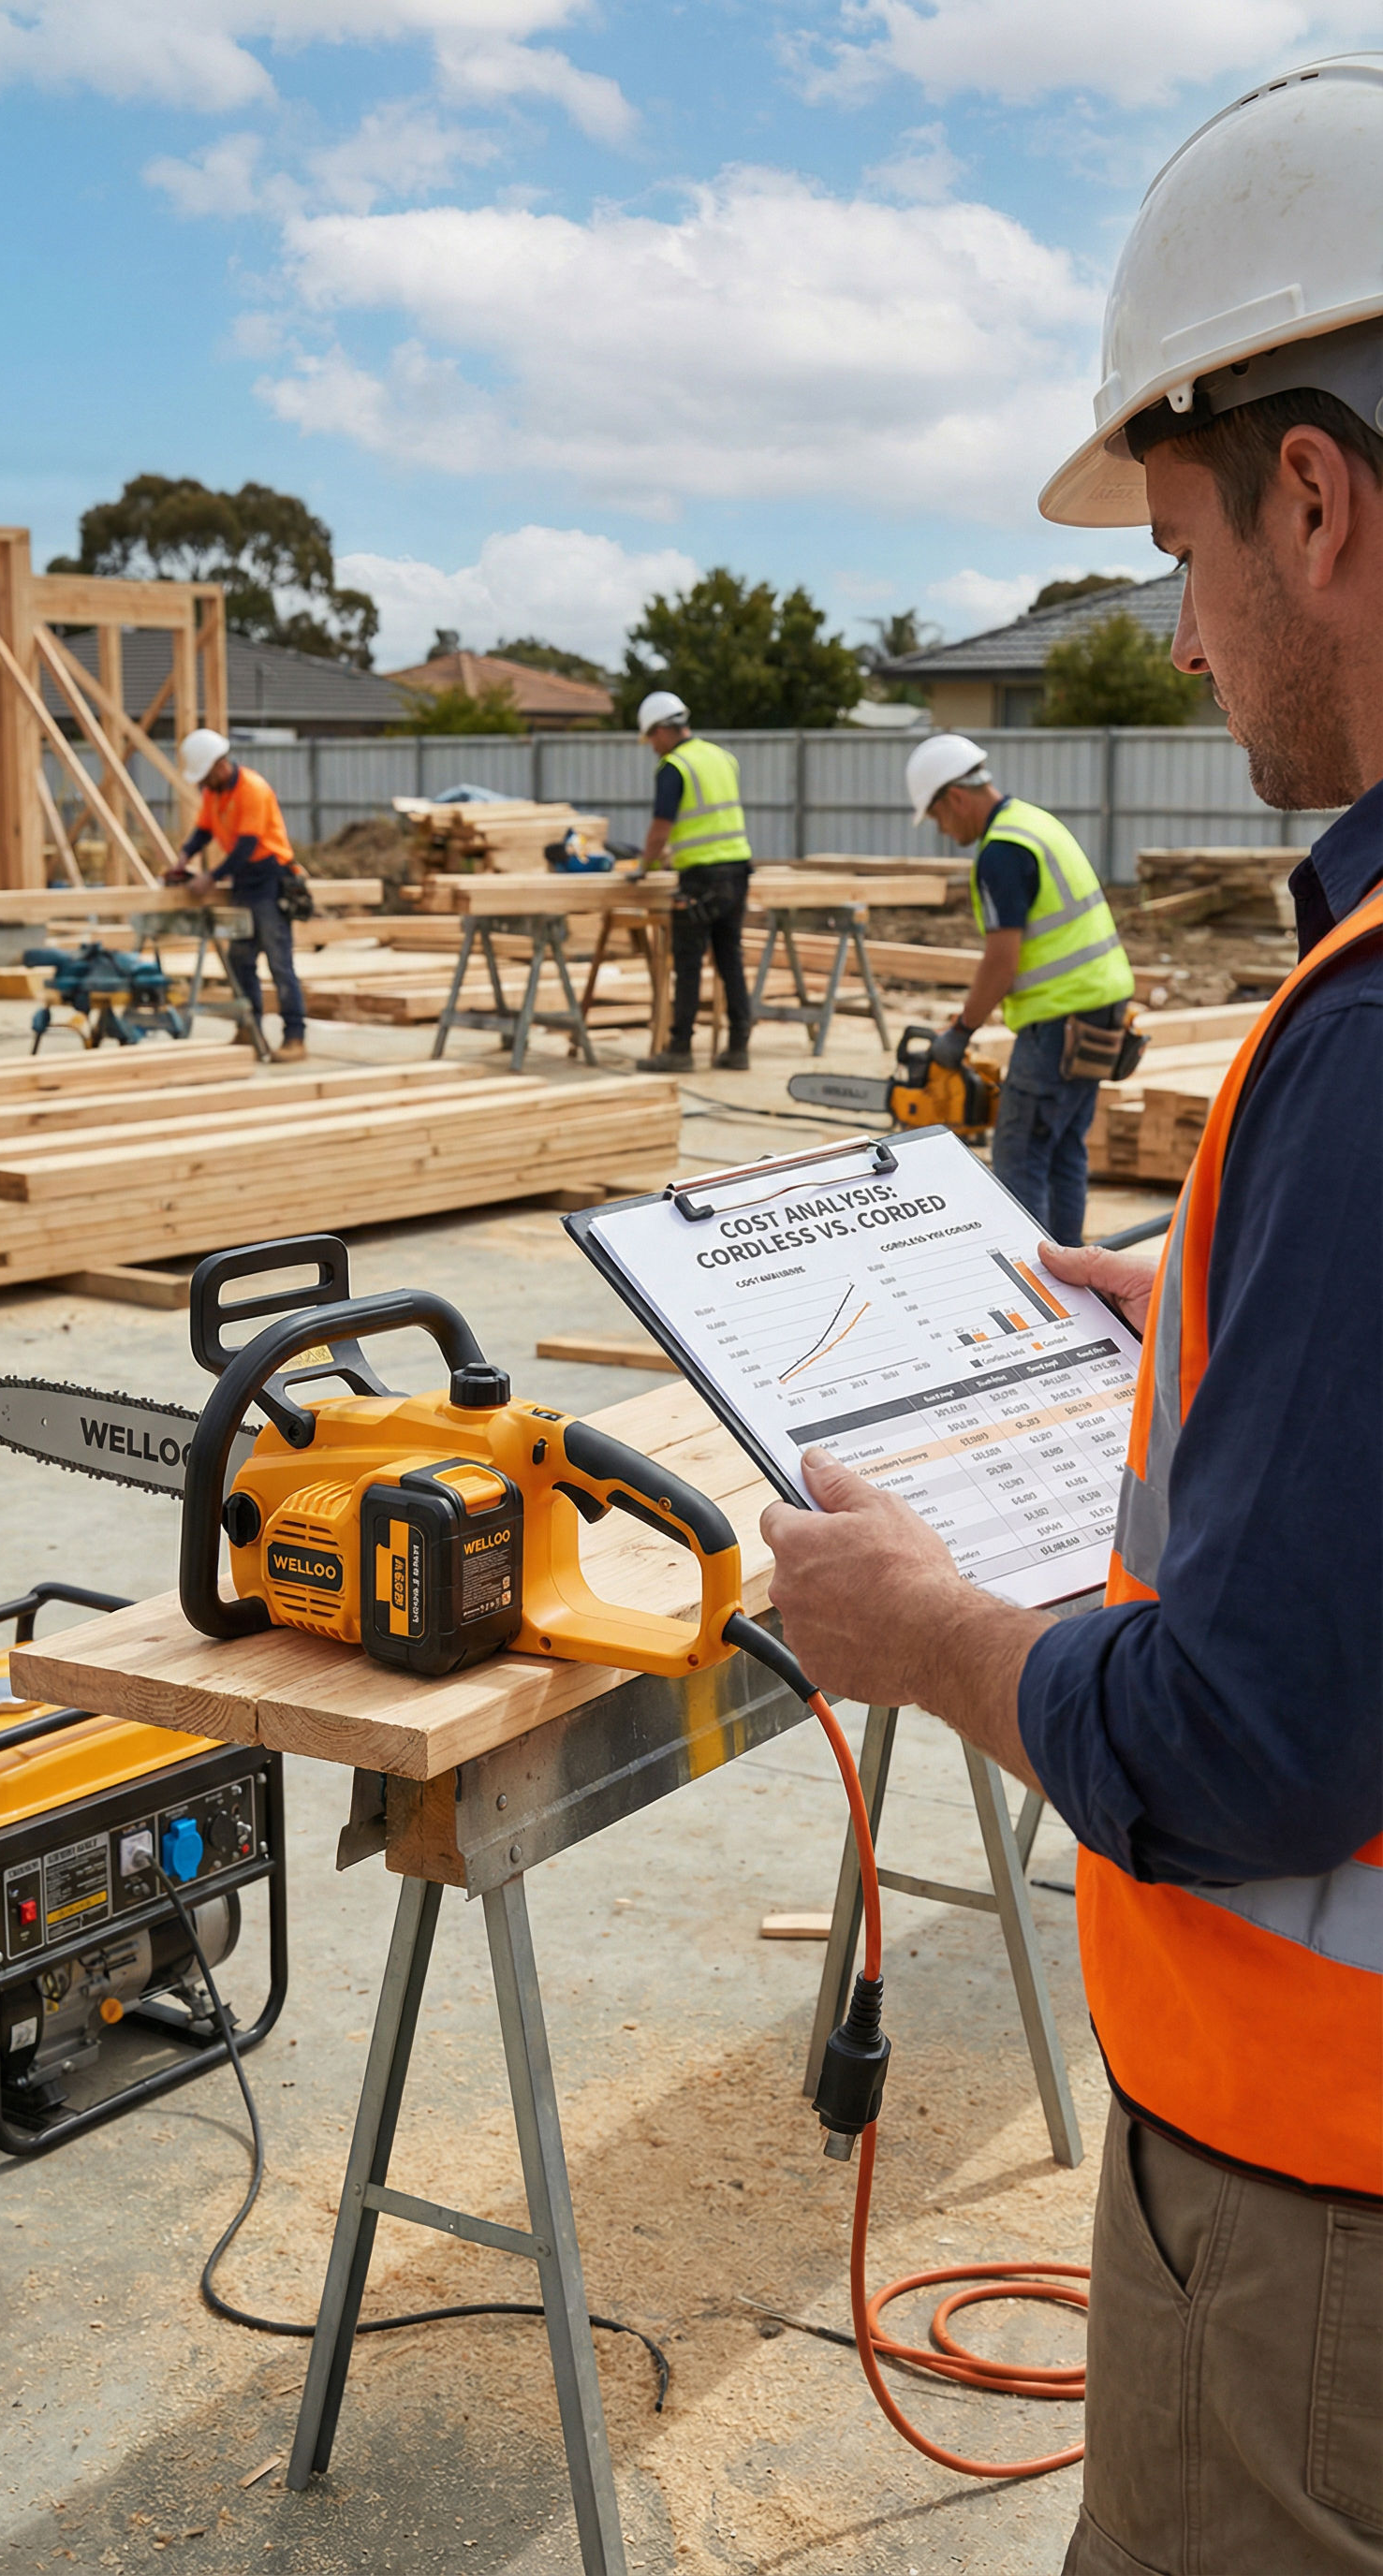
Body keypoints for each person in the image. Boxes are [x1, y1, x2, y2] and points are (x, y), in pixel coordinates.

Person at [764, 56, 1382, 2576]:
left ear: (1315, 503)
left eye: (1174, 544)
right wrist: (1248, 1332)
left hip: (1326, 2216)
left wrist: (927, 1634)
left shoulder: (1360, 1039)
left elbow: (1251, 1741)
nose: (1181, 627)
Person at [906, 734, 1134, 1246]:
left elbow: (1001, 960)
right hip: (1099, 1011)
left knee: (1020, 1154)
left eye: (939, 817)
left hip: (1058, 1023)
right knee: (1063, 1150)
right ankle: (1071, 1274)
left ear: (956, 798)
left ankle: (1029, 1289)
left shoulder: (1002, 852)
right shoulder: (1035, 823)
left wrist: (961, 1031)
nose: (944, 829)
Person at [169, 728, 310, 1062]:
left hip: (270, 877)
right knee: (240, 961)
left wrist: (211, 877)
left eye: (205, 778)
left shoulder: (252, 790)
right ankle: (250, 1027)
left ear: (219, 767)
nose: (203, 786)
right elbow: (204, 829)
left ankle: (295, 1038)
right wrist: (185, 856)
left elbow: (246, 846)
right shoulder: (215, 794)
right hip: (247, 882)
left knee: (280, 962)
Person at [632, 691, 754, 1073]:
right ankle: (738, 1047)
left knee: (687, 962)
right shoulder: (722, 757)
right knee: (729, 958)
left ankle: (680, 1049)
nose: (652, 746)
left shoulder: (674, 766)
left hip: (701, 878)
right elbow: (711, 822)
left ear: (662, 730)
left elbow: (661, 826)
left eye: (651, 737)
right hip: (737, 870)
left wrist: (645, 864)